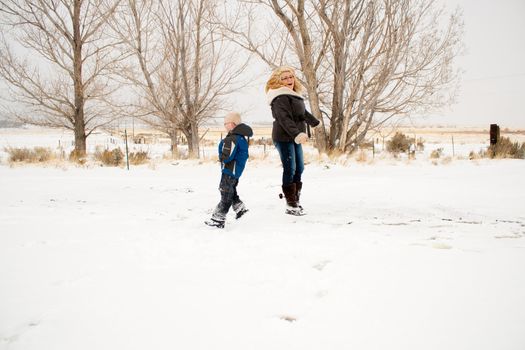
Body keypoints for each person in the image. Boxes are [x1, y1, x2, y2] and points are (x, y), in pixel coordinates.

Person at [265, 66, 320, 216]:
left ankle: (295, 199)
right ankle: (291, 204)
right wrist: (297, 133)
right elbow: (284, 118)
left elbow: (301, 113)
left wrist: (314, 122)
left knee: (300, 168)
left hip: (295, 136)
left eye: (291, 77)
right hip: (284, 137)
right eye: (285, 78)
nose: (289, 80)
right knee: (290, 168)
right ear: (278, 81)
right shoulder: (279, 97)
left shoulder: (294, 95)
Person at [205, 112, 253, 228]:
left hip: (230, 170)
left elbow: (227, 156)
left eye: (226, 123)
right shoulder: (241, 138)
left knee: (225, 192)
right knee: (231, 191)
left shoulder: (232, 139)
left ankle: (218, 219)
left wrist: (221, 157)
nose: (225, 126)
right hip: (235, 171)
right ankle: (240, 209)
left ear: (232, 124)